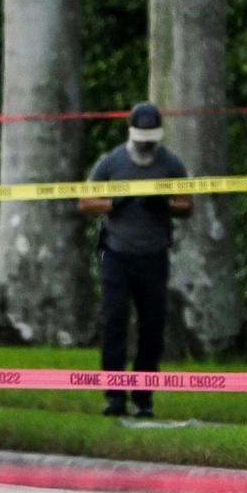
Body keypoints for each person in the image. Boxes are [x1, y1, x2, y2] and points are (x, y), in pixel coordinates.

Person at [78, 102, 191, 418]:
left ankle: (143, 397)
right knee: (114, 320)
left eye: (150, 138)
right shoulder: (111, 162)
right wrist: (112, 203)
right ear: (131, 132)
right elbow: (84, 202)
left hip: (154, 256)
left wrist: (165, 205)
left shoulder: (171, 163)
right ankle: (114, 395)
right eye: (141, 138)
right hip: (116, 254)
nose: (145, 144)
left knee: (152, 327)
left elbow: (186, 204)